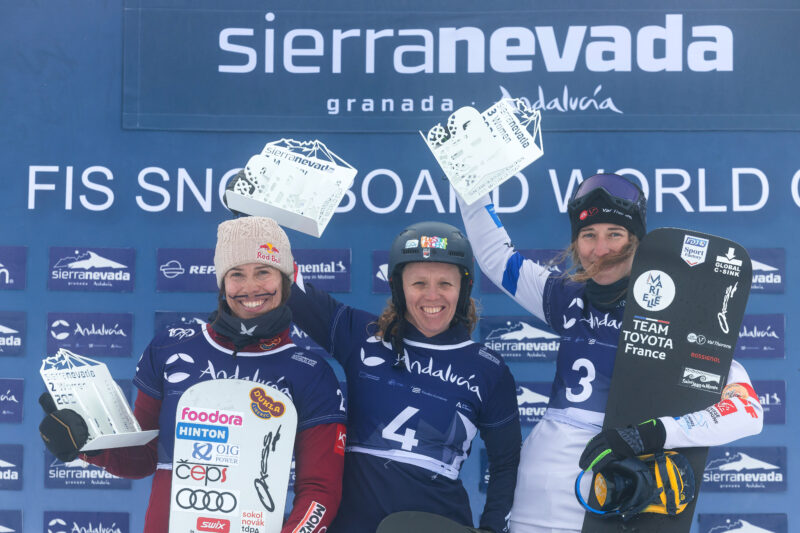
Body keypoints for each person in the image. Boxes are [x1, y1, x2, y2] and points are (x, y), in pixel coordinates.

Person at [457, 173, 763, 533]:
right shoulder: (565, 298)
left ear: (638, 242)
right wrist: (468, 178)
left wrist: (653, 434)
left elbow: (746, 411)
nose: (600, 250)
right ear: (575, 243)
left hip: (612, 500)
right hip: (535, 497)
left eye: (614, 235)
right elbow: (496, 258)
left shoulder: (678, 318)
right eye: (589, 236)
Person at [39, 216, 347, 533]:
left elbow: (319, 491)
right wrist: (90, 445)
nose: (251, 287)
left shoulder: (310, 372)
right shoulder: (170, 348)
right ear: (222, 282)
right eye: (237, 274)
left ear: (284, 281)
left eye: (264, 272)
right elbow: (144, 458)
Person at [287, 221, 521, 533]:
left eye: (445, 284)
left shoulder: (489, 369)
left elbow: (506, 464)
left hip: (440, 524)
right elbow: (291, 286)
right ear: (398, 288)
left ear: (463, 289)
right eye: (419, 283)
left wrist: (492, 528)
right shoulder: (361, 335)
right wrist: (254, 227)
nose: (432, 296)